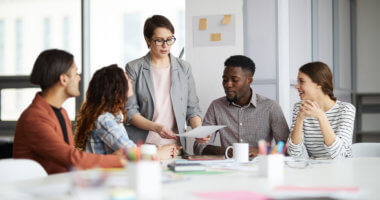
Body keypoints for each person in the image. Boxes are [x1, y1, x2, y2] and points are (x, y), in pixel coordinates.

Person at [13, 49, 124, 174]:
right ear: (64, 79)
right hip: (39, 189)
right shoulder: (35, 118)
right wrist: (119, 160)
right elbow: (72, 158)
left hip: (60, 184)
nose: (79, 78)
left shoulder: (61, 112)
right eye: (76, 72)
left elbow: (70, 157)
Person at [125, 15, 203, 152]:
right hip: (143, 147)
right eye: (159, 40)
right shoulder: (134, 68)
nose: (165, 45)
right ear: (148, 40)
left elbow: (192, 108)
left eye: (169, 39)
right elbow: (130, 112)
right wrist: (156, 127)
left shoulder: (184, 68)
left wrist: (199, 131)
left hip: (174, 147)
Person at [74, 65, 178, 159]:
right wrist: (159, 154)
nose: (131, 82)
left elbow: (128, 148)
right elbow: (131, 152)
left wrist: (159, 150)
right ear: (116, 89)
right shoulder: (104, 119)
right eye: (127, 80)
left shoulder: (114, 115)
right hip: (104, 175)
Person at [193, 55, 289, 156]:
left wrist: (260, 151)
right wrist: (227, 151)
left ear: (249, 80)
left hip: (261, 168)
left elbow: (286, 148)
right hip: (228, 169)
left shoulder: (270, 107)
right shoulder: (216, 106)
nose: (228, 84)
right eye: (225, 80)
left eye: (234, 80)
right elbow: (199, 146)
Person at [287, 62, 356, 159]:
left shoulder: (345, 109)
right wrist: (299, 119)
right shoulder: (300, 107)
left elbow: (340, 155)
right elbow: (293, 153)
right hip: (314, 169)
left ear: (319, 83)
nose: (297, 86)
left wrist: (321, 117)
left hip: (341, 169)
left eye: (301, 81)